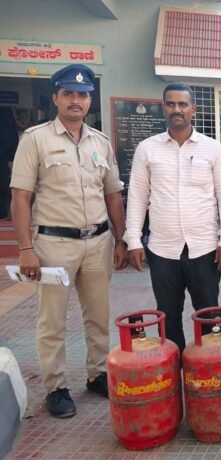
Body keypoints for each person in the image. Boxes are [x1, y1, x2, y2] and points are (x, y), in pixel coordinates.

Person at [9, 64, 128, 418]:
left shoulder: (100, 142)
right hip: (54, 244)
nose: (76, 100)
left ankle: (98, 374)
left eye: (82, 94)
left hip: (98, 242)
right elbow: (20, 197)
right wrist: (26, 249)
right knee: (53, 320)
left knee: (98, 315)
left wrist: (121, 240)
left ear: (90, 100)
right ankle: (56, 387)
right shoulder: (36, 139)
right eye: (69, 94)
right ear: (56, 98)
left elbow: (113, 195)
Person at [124, 82, 221, 352]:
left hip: (205, 248)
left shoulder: (213, 149)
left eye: (183, 104)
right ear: (163, 108)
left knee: (209, 315)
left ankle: (208, 367)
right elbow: (137, 197)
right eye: (171, 104)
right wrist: (133, 240)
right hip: (162, 249)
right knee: (168, 316)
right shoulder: (147, 149)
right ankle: (175, 370)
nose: (177, 109)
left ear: (193, 109)